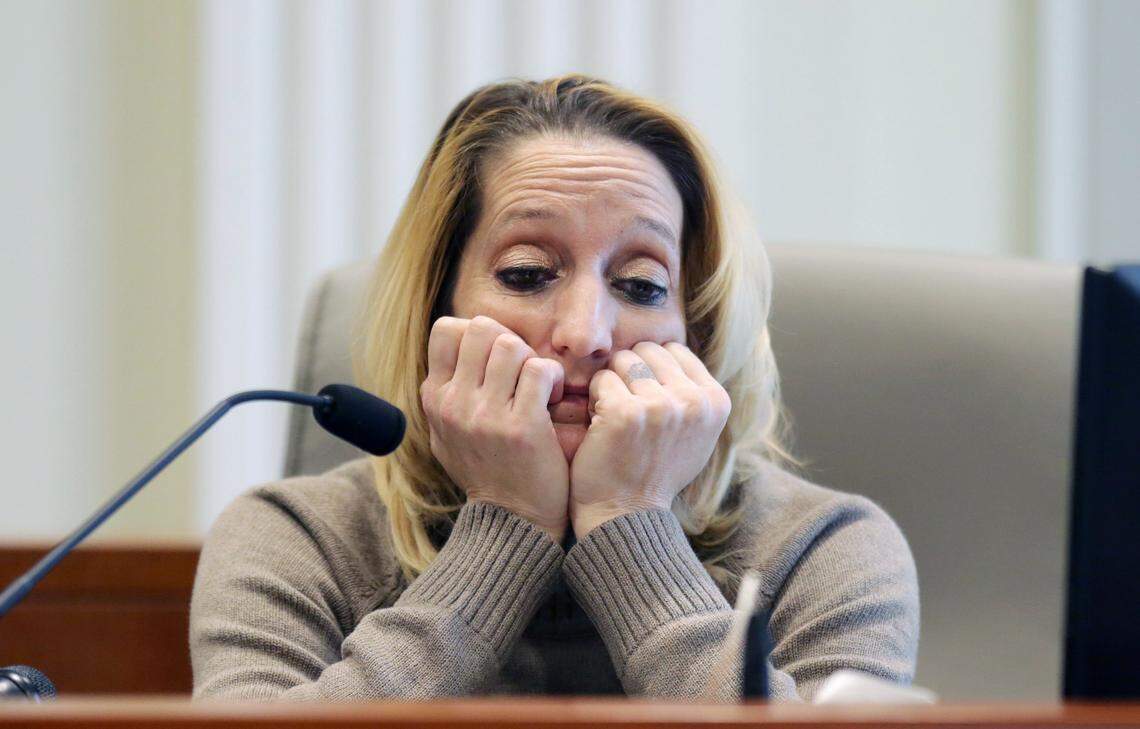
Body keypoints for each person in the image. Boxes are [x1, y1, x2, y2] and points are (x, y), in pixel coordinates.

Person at [190, 75, 919, 701]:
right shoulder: (298, 536)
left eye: (640, 284)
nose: (585, 333)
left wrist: (628, 520)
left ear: (698, 330)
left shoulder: (823, 548)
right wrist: (507, 521)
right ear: (435, 310)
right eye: (529, 273)